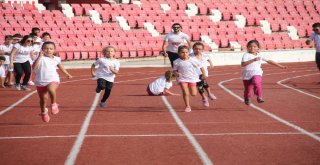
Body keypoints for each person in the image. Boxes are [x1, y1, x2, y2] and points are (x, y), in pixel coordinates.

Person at [32, 41, 72, 122]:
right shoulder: (39, 57)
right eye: (46, 48)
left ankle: (54, 104)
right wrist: (39, 57)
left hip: (53, 79)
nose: (48, 50)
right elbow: (34, 67)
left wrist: (67, 74)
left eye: (51, 49)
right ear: (42, 49)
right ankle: (44, 112)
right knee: (43, 99)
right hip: (40, 81)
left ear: (54, 50)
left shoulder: (56, 59)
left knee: (51, 89)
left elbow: (60, 66)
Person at [241, 40, 287, 105]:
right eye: (250, 46)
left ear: (258, 48)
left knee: (257, 82)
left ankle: (259, 97)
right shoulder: (246, 55)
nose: (252, 48)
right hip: (247, 74)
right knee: (247, 89)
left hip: (257, 72)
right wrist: (253, 60)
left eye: (254, 46)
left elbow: (269, 61)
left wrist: (280, 66)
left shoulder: (260, 54)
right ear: (247, 47)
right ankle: (247, 98)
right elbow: (243, 64)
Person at [173, 45, 205, 112]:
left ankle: (197, 92)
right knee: (185, 92)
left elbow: (201, 66)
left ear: (188, 52)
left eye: (186, 52)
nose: (185, 54)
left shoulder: (193, 60)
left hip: (192, 78)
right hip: (182, 78)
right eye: (182, 52)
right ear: (178, 53)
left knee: (193, 94)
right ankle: (187, 106)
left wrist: (203, 74)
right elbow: (175, 70)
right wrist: (176, 73)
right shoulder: (176, 61)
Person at [191, 42, 217, 107]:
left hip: (204, 72)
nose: (197, 50)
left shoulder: (204, 55)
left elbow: (208, 59)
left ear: (202, 50)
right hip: (195, 74)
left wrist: (211, 63)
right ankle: (204, 98)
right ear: (193, 49)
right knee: (200, 85)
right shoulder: (190, 56)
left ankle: (209, 93)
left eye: (199, 49)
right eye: (196, 49)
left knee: (204, 83)